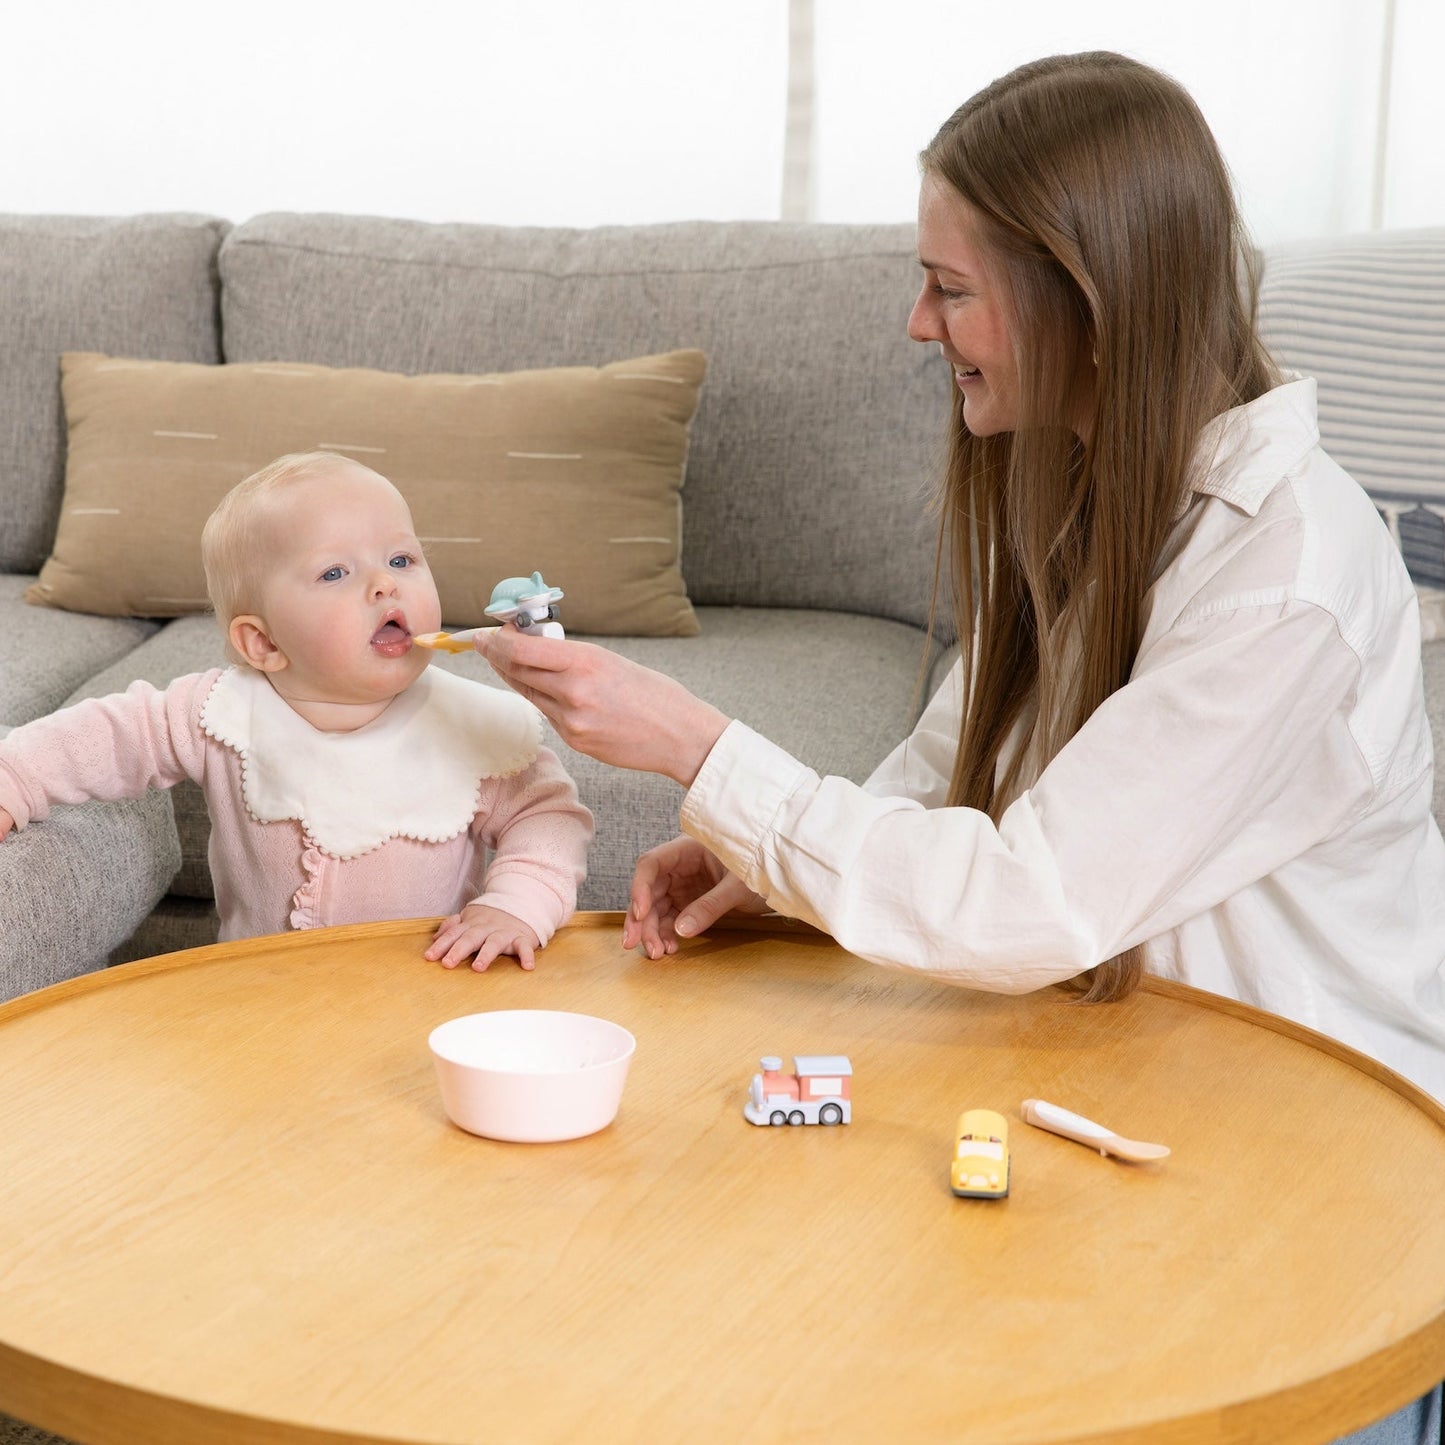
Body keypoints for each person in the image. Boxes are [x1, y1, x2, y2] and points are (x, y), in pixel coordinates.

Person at [470, 55, 1445, 1441]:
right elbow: (954, 756)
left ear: (1084, 301)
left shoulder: (1283, 576)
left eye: (950, 286)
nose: (915, 324)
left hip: (1316, 1145)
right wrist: (771, 860)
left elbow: (1031, 899)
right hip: (1127, 1073)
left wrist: (695, 745)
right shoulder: (1084, 470)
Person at [0, 452, 592, 970]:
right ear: (264, 644)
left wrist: (515, 903)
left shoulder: (474, 727)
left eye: (403, 560)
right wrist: (15, 778)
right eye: (335, 572)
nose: (385, 585)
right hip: (261, 997)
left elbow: (548, 816)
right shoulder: (221, 713)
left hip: (425, 993)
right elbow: (108, 736)